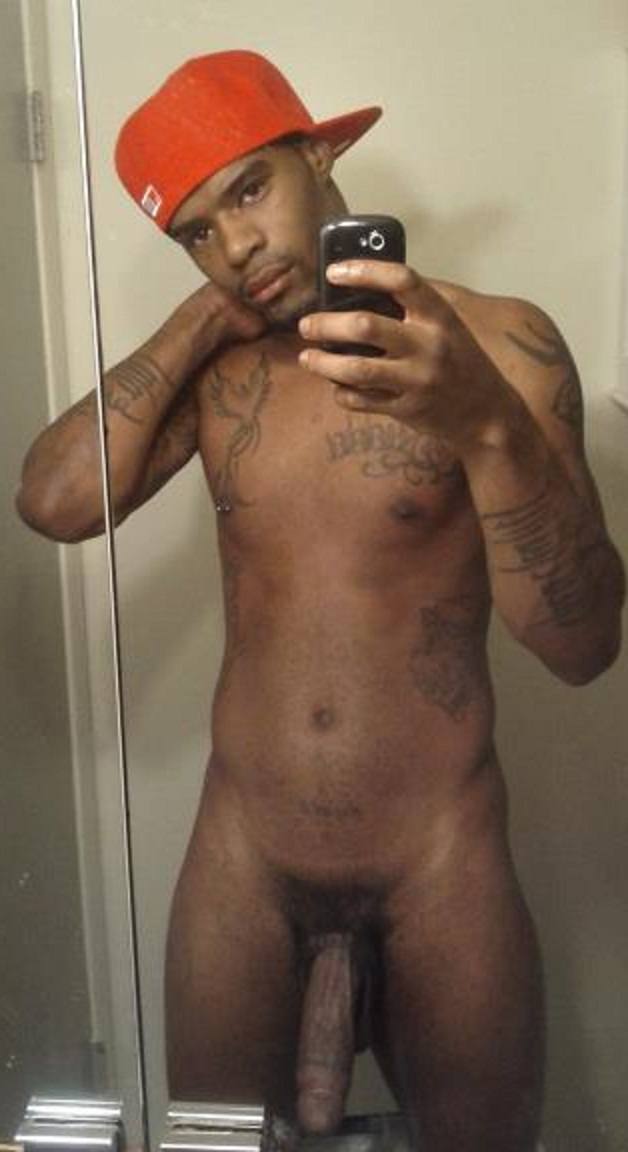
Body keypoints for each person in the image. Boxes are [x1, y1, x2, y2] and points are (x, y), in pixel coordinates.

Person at [16, 49, 625, 1152]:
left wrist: (484, 423)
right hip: (244, 858)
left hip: (440, 852)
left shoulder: (499, 344)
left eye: (249, 190)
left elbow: (583, 644)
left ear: (318, 153)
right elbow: (52, 502)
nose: (236, 246)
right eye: (196, 233)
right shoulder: (224, 373)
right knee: (213, 1145)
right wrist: (204, 319)